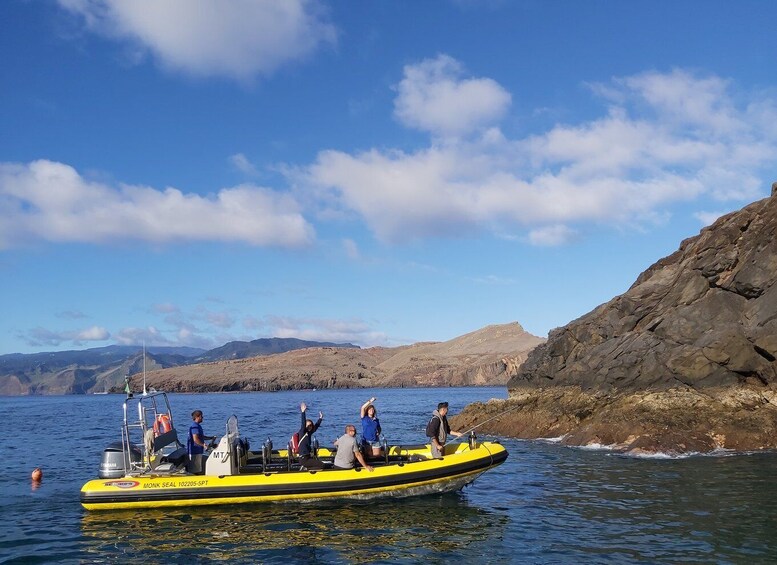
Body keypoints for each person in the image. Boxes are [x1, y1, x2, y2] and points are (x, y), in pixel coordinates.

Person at [297, 402, 325, 470]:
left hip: (308, 457)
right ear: (305, 426)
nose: (310, 426)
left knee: (320, 463)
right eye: (308, 425)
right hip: (304, 459)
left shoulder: (309, 433)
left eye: (311, 425)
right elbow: (303, 423)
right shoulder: (302, 432)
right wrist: (303, 412)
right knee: (322, 465)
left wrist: (320, 418)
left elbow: (316, 426)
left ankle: (307, 468)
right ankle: (306, 469)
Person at [187, 410, 216, 474]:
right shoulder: (195, 427)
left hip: (198, 451)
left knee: (198, 468)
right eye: (201, 417)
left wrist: (210, 438)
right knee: (195, 470)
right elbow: (196, 439)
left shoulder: (198, 426)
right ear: (198, 417)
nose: (202, 418)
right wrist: (203, 445)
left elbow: (201, 436)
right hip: (195, 451)